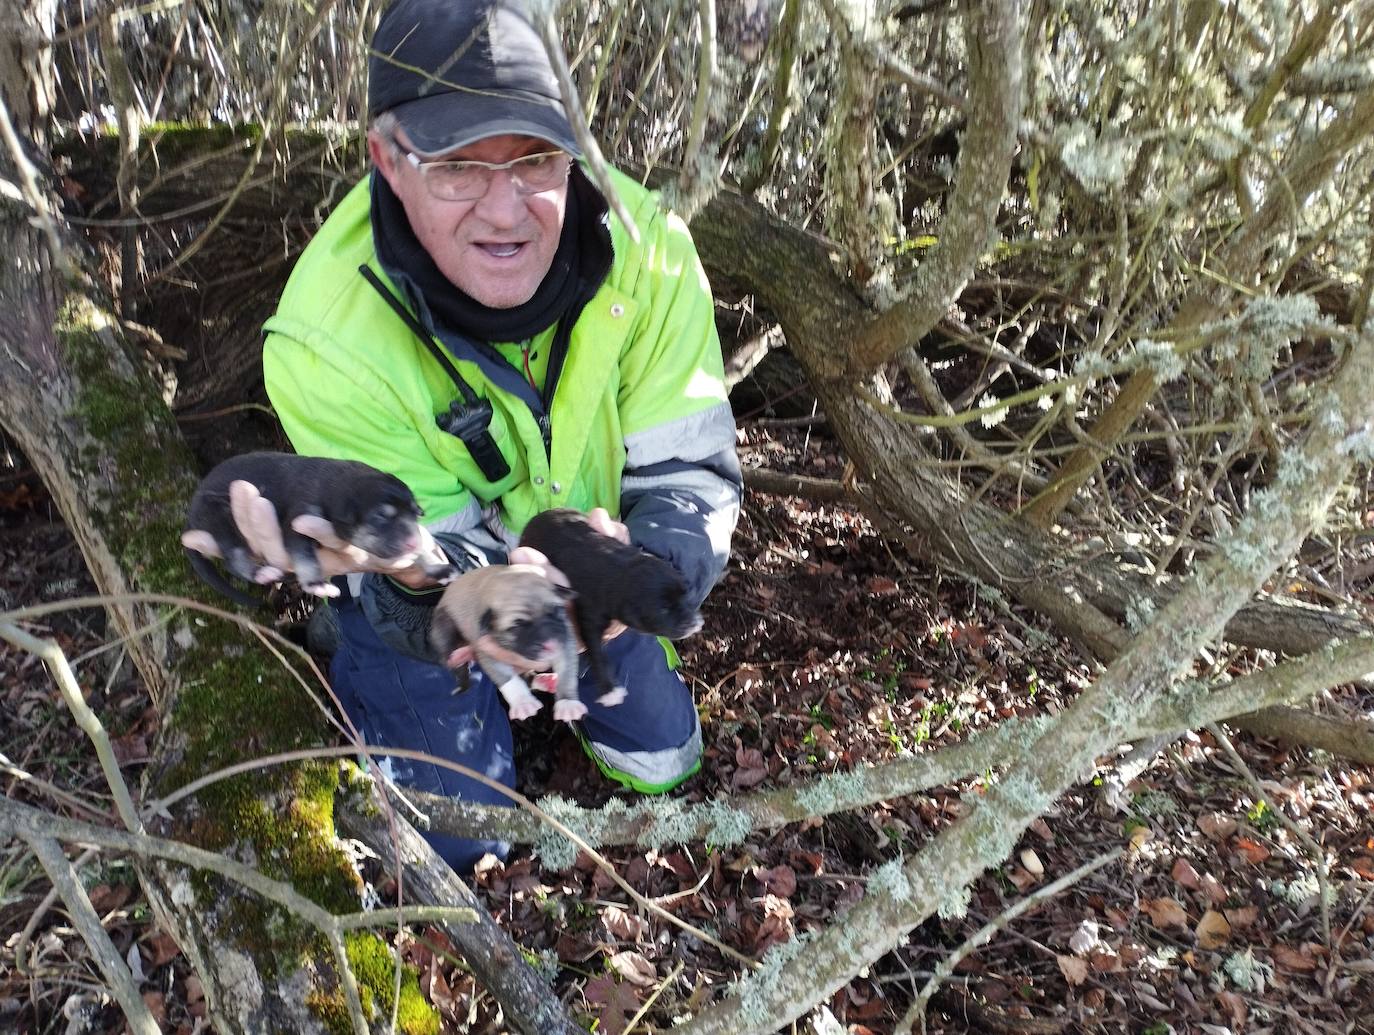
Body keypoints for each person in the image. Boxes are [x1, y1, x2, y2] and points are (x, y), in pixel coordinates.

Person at [186, 0, 740, 872]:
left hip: (591, 566)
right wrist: (438, 588)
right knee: (458, 837)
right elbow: (419, 552)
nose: (506, 209)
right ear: (387, 159)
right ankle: (355, 650)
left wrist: (644, 564)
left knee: (666, 762)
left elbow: (693, 466)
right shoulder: (326, 338)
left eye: (535, 157)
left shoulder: (653, 252)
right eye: (456, 166)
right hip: (443, 582)